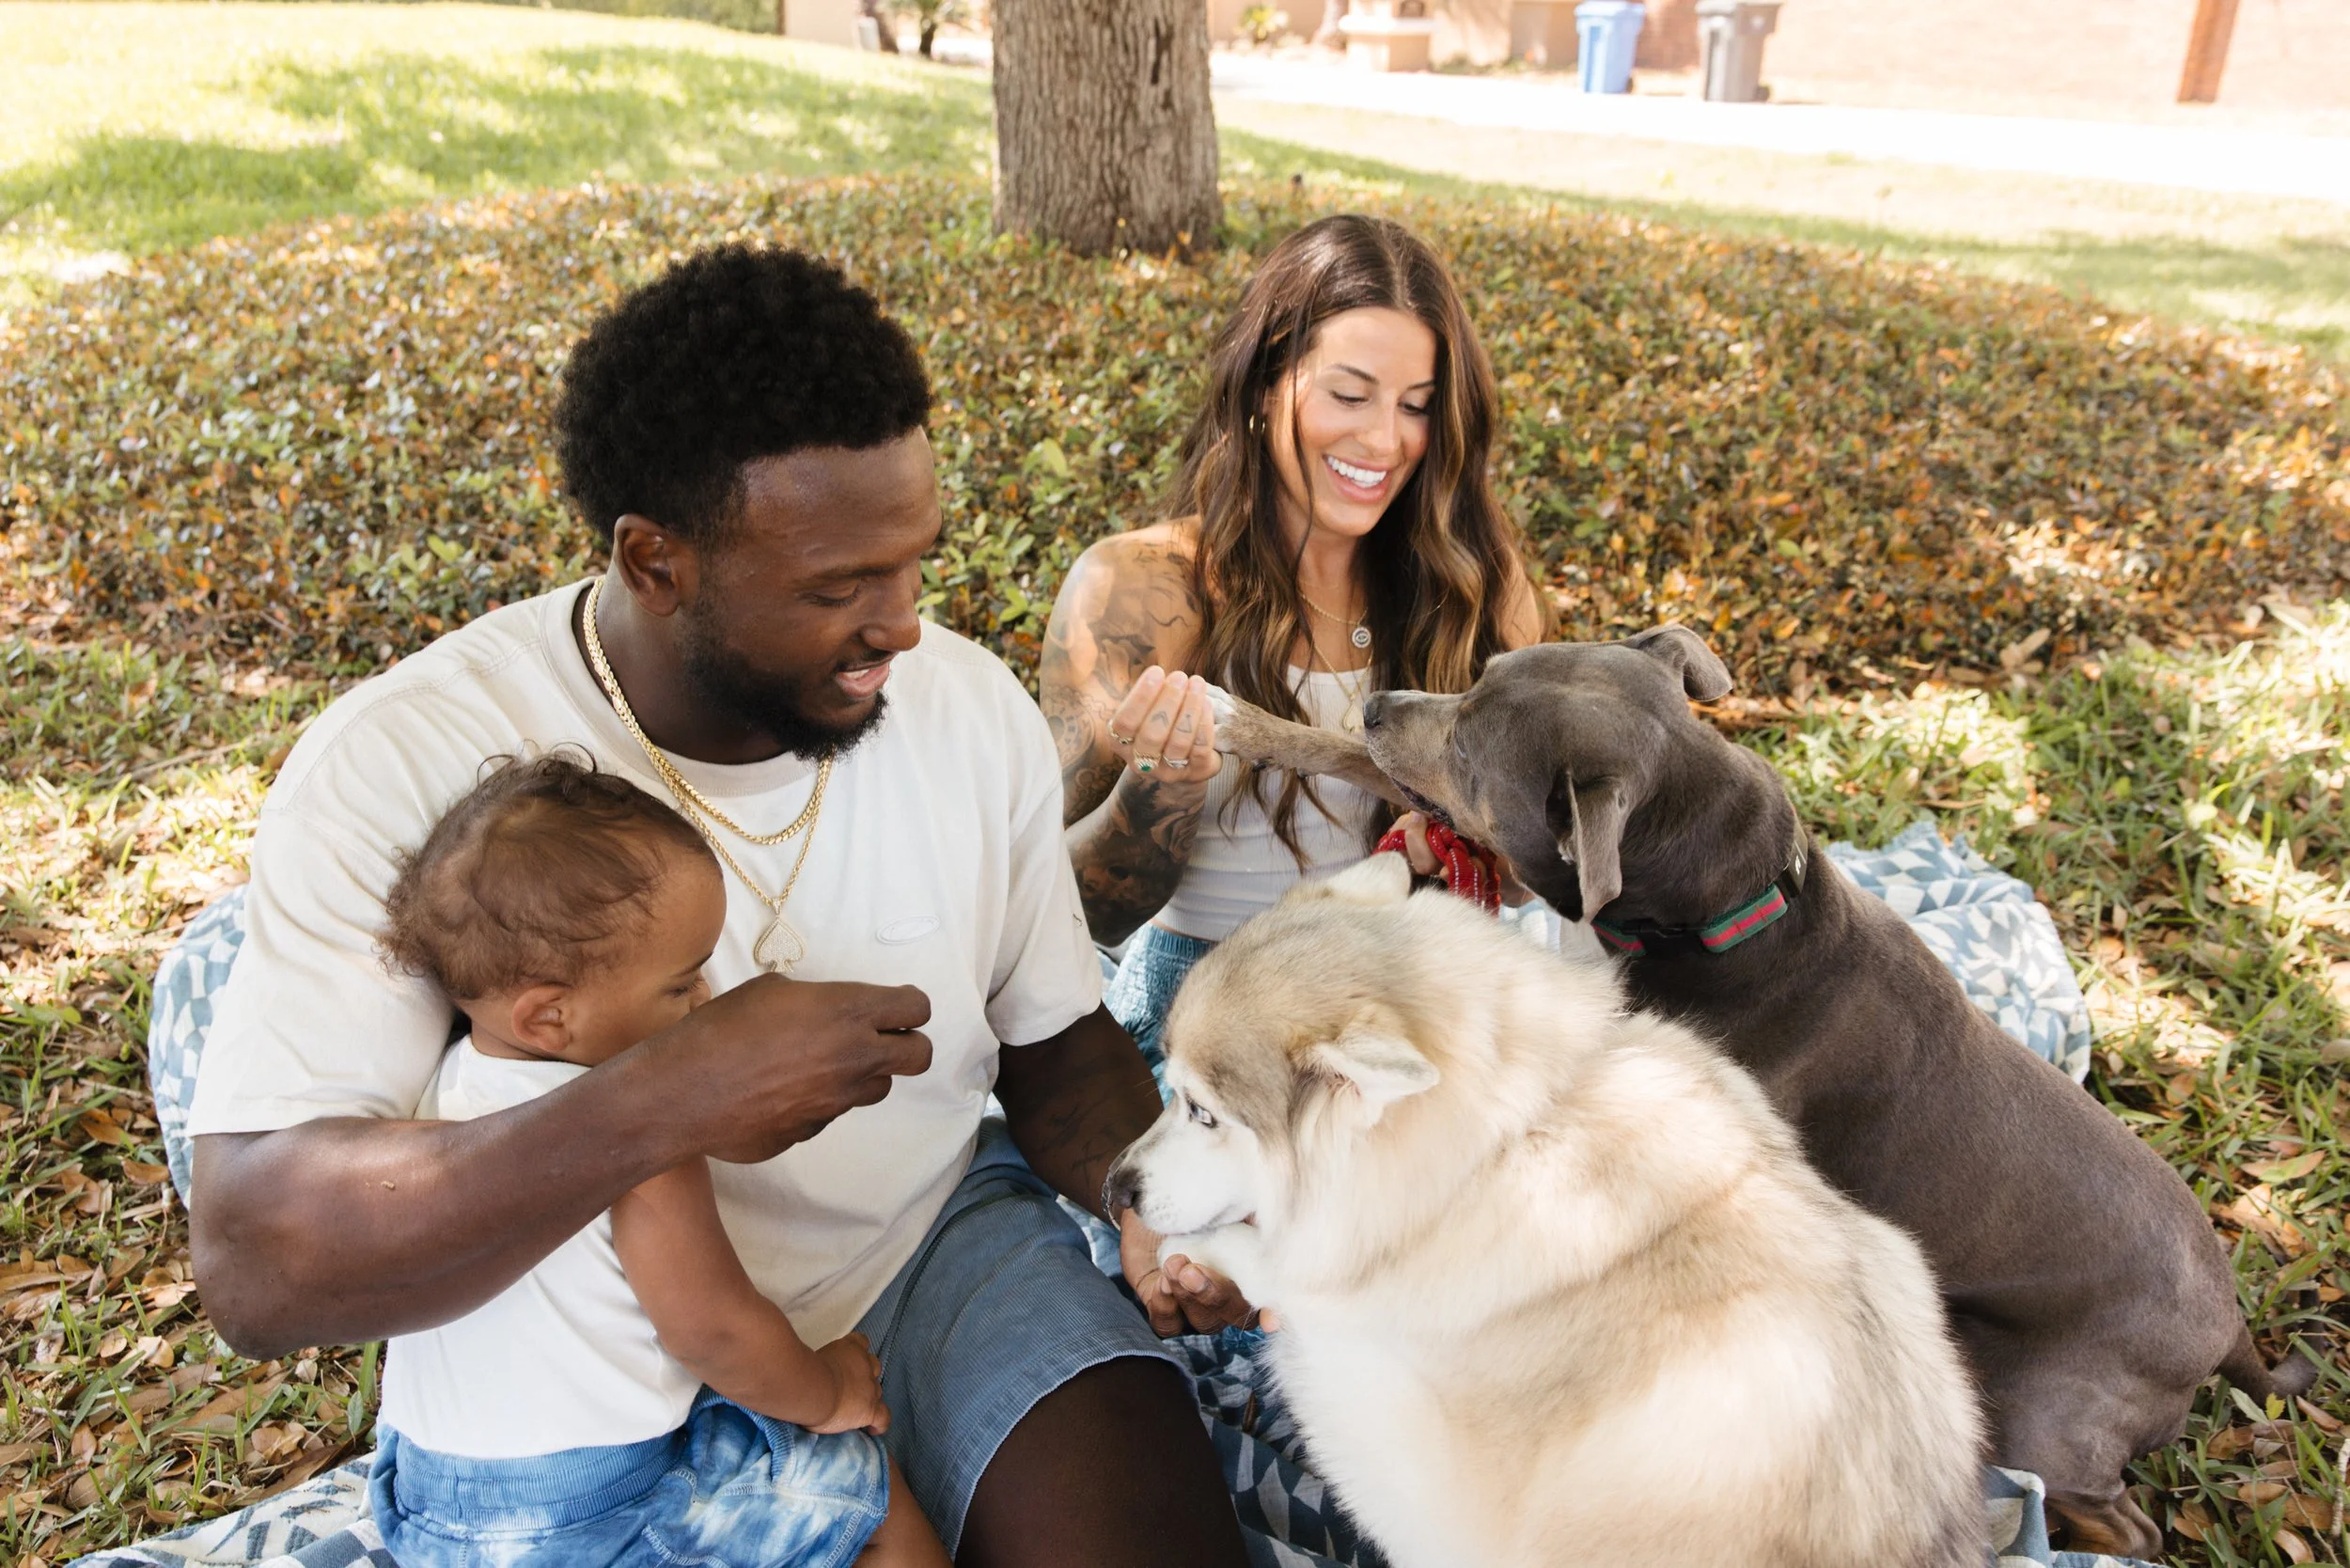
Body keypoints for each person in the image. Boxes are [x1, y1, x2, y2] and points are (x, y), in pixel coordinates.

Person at [183, 244, 1255, 1568]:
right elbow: (258, 1262)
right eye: (835, 590)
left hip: (926, 1253)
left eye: (913, 564)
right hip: (579, 1378)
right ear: (656, 561)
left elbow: (1053, 1050)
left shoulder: (965, 713)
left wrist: (1161, 1201)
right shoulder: (406, 759)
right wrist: (676, 1091)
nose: (903, 627)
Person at [366, 752, 946, 1568]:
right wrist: (828, 1390)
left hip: (429, 1503)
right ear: (548, 1019)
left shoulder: (444, 1092)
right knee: (855, 1489)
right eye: (682, 986)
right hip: (592, 1513)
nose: (707, 1003)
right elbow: (712, 1329)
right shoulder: (641, 1138)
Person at [1041, 213, 1544, 1067]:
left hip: (1416, 1009)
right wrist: (1153, 796)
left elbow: (1536, 876)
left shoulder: (1474, 592)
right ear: (1266, 381)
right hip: (1204, 1020)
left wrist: (1465, 843)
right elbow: (1062, 913)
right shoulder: (1142, 588)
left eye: (1416, 407)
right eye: (1350, 395)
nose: (1384, 440)